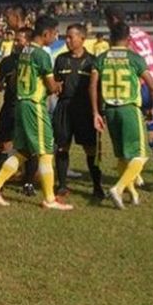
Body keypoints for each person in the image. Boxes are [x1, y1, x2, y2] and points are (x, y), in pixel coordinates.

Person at [0, 16, 73, 210]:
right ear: (46, 33)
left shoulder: (24, 51)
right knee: (47, 150)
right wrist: (57, 85)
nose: (56, 37)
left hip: (21, 103)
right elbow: (50, 85)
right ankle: (49, 199)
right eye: (55, 33)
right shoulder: (41, 54)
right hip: (34, 105)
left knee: (22, 151)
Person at [105, 5, 153, 193]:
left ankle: (133, 175)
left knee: (126, 136)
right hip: (150, 89)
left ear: (112, 20)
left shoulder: (120, 40)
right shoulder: (143, 34)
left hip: (132, 92)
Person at [90, 23, 153, 208]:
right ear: (128, 39)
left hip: (110, 110)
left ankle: (133, 193)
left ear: (110, 38)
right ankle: (118, 188)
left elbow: (93, 85)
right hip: (129, 109)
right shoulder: (134, 58)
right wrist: (151, 107)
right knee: (139, 156)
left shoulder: (101, 58)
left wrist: (96, 112)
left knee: (122, 156)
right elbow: (151, 86)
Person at [53, 24, 103, 199]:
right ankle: (62, 186)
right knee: (62, 146)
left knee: (90, 149)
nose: (67, 40)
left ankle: (97, 187)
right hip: (64, 108)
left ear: (82, 39)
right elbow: (55, 83)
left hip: (85, 109)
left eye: (70, 37)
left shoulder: (93, 61)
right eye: (66, 37)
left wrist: (99, 112)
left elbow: (98, 89)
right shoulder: (60, 59)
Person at [3, 4, 38, 196]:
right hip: (14, 97)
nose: (6, 22)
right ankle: (18, 172)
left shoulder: (30, 40)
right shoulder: (16, 43)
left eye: (8, 18)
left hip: (28, 98)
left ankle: (28, 177)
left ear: (16, 18)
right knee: (10, 139)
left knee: (29, 142)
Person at [0, 27, 31, 177]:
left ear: (28, 41)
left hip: (28, 109)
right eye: (15, 39)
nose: (15, 43)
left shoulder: (36, 59)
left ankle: (27, 182)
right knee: (3, 145)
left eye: (18, 40)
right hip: (9, 108)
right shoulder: (7, 61)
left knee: (28, 147)